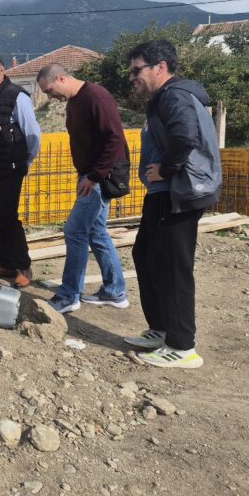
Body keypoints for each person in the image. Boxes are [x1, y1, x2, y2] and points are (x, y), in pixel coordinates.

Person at [123, 39, 221, 369]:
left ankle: (182, 347)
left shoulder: (174, 95)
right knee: (146, 255)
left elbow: (185, 137)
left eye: (137, 70)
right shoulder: (164, 98)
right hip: (164, 192)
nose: (133, 77)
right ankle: (161, 329)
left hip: (178, 192)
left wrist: (165, 169)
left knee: (173, 267)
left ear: (160, 68)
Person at [35, 63, 129, 313]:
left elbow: (116, 138)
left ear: (62, 78)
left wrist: (95, 176)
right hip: (89, 175)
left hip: (99, 177)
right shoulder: (75, 101)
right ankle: (115, 291)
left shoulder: (96, 96)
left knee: (75, 231)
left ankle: (68, 295)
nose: (49, 96)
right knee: (97, 232)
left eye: (49, 90)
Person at [0, 54, 41, 288]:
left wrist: (24, 161)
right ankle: (6, 263)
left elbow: (32, 133)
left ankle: (23, 266)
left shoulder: (17, 96)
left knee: (9, 219)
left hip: (10, 170)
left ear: (1, 71)